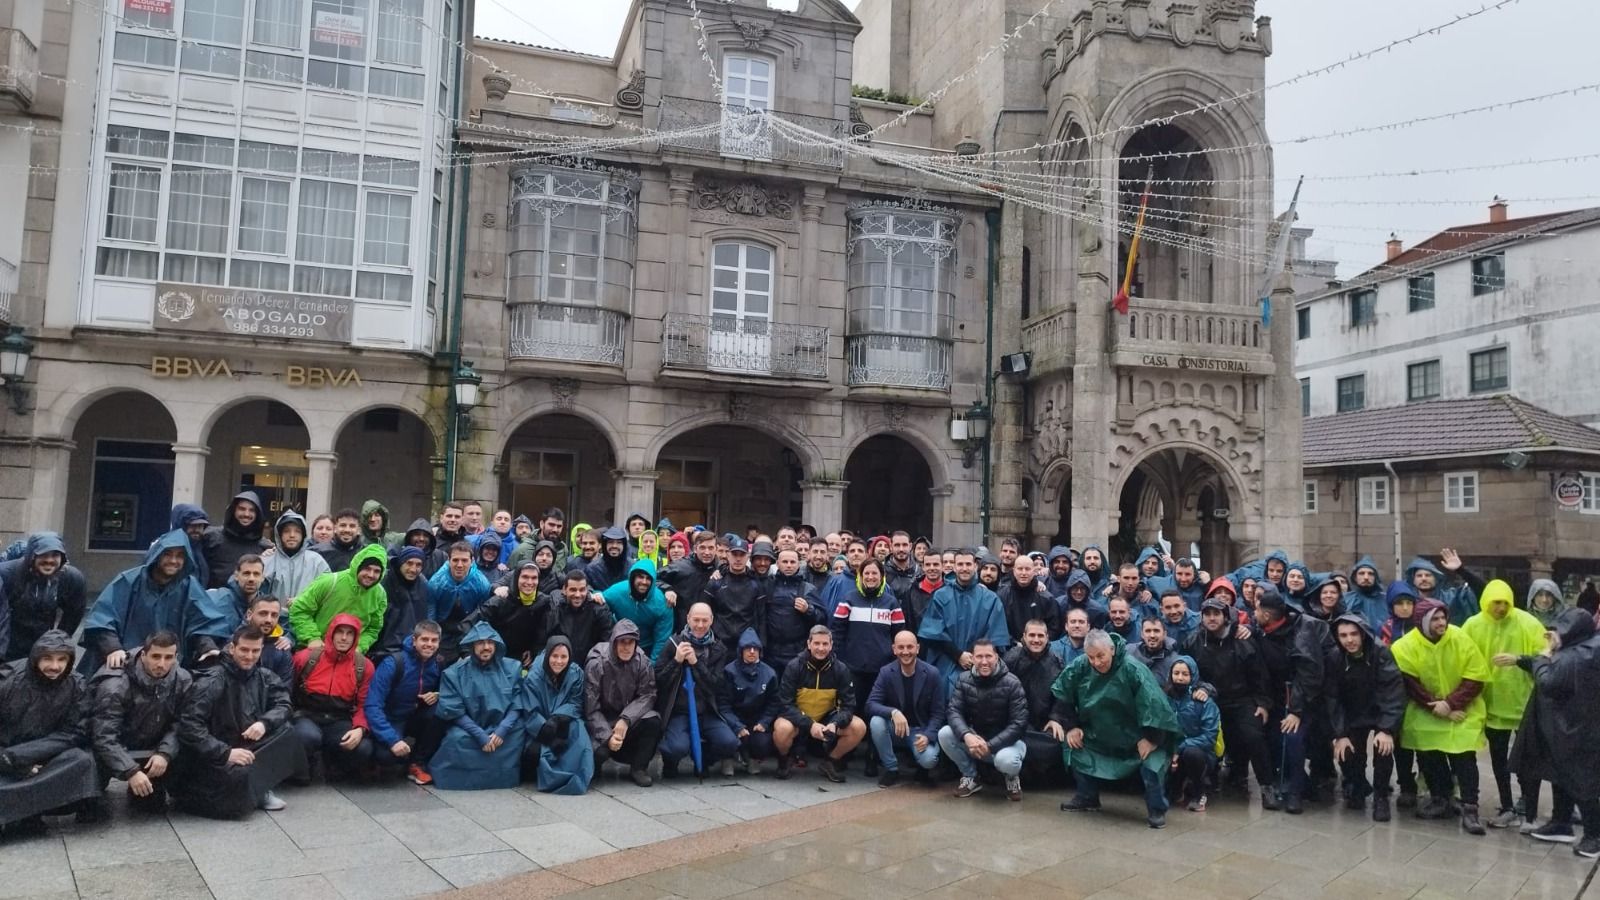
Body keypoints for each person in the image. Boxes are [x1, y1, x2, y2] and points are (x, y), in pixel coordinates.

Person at [1052, 630, 1184, 828]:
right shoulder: (1080, 666)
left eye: (1101, 656)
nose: (1096, 662)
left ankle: (1157, 809)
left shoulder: (1133, 669)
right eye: (1091, 657)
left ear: (1111, 650)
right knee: (1073, 746)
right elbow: (1063, 695)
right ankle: (1087, 796)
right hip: (1097, 733)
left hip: (1137, 735)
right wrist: (1072, 727)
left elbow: (1156, 706)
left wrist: (1151, 737)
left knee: (1152, 764)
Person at [174, 625, 304, 816]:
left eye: (255, 651)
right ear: (232, 648)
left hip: (247, 744)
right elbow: (189, 726)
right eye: (244, 650)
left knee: (289, 733)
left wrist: (264, 723)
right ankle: (251, 790)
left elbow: (284, 704)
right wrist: (225, 753)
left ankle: (256, 788)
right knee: (239, 794)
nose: (249, 656)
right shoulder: (213, 680)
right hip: (215, 752)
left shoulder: (264, 676)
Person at [1390, 598, 1490, 834]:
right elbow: (1409, 683)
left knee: (1464, 756)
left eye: (1443, 617)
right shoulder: (1404, 646)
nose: (1441, 622)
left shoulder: (1460, 637)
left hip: (1462, 708)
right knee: (1428, 753)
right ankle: (1440, 798)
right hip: (1426, 709)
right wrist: (1436, 707)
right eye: (1434, 619)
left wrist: (1451, 703)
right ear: (1422, 622)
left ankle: (1470, 807)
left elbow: (1476, 677)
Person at [80, 529, 229, 673]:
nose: (173, 561)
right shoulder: (129, 581)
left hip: (170, 667)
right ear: (157, 555)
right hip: (126, 663)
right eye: (167, 554)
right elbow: (103, 617)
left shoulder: (189, 586)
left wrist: (207, 647)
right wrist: (113, 648)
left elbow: (202, 622)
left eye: (179, 556)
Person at [1514, 608, 1600, 856]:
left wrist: (1541, 658)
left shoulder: (1579, 654)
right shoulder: (1586, 647)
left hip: (1577, 728)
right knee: (1562, 773)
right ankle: (1561, 822)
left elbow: (1549, 681)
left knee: (1581, 781)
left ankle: (1594, 835)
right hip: (1571, 724)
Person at [0, 630, 99, 834]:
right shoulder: (8, 680)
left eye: (62, 659)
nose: (55, 666)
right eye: (47, 658)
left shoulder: (76, 685)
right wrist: (9, 759)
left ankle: (18, 810)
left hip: (44, 757)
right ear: (36, 657)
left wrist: (24, 755)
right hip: (5, 756)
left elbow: (74, 732)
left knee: (82, 760)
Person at [1466, 579, 1547, 829]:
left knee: (1528, 760)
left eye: (1504, 603)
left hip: (1524, 704)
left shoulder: (1528, 623)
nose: (1500, 608)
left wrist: (1519, 659)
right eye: (1495, 603)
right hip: (1492, 705)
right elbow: (1464, 656)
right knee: (1499, 759)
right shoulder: (1473, 625)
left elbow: (1545, 657)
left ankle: (1528, 808)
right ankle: (1507, 806)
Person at [87, 630, 190, 814]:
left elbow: (182, 722)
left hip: (153, 746)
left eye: (168, 658)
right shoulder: (115, 685)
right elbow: (104, 736)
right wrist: (130, 771)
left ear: (176, 657)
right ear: (143, 655)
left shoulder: (182, 679)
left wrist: (165, 753)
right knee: (89, 805)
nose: (161, 664)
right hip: (112, 747)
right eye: (156, 656)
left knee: (151, 803)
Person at [1182, 593, 1273, 802]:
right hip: (1210, 699)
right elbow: (1189, 673)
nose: (1212, 618)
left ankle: (1267, 785)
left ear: (1225, 617)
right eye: (1207, 614)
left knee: (1253, 736)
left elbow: (1259, 674)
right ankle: (1207, 778)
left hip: (1242, 699)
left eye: (1216, 614)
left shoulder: (1243, 640)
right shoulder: (1193, 641)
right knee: (1207, 735)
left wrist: (1263, 703)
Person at [1251, 585, 1329, 815]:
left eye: (1256, 610)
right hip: (1275, 700)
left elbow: (1309, 675)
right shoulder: (1263, 630)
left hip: (1301, 702)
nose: (1253, 614)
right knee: (1272, 738)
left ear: (1267, 614)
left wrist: (1296, 711)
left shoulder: (1301, 632)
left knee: (1293, 740)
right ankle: (1292, 782)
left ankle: (1295, 792)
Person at [1324, 613, 1403, 822]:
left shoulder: (1380, 652)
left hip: (1379, 710)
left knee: (1383, 750)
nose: (1349, 640)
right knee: (1347, 750)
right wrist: (1340, 734)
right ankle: (1356, 785)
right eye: (1343, 635)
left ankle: (1381, 797)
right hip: (1352, 711)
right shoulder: (1334, 657)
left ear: (1363, 633)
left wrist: (1386, 729)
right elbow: (1332, 697)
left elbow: (1392, 691)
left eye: (1354, 634)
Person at [431, 621, 526, 790]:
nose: (486, 647)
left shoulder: (512, 668)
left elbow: (518, 702)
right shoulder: (455, 673)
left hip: (502, 729)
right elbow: (453, 710)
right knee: (456, 739)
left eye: (490, 643)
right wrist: (479, 735)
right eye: (481, 643)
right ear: (472, 645)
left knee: (519, 732)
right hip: (470, 728)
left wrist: (502, 729)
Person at [772, 625, 867, 783]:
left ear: (831, 645)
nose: (821, 648)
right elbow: (785, 704)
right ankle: (784, 759)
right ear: (808, 644)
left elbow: (848, 706)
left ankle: (831, 761)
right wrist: (809, 724)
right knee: (782, 728)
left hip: (826, 719)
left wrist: (835, 724)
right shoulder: (794, 666)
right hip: (798, 718)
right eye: (816, 643)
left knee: (859, 727)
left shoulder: (841, 669)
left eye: (825, 644)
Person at [939, 637, 1028, 801]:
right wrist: (967, 735)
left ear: (997, 657)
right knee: (945, 734)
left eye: (988, 656)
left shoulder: (1012, 682)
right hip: (976, 739)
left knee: (1006, 761)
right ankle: (971, 776)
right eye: (979, 657)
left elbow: (1019, 724)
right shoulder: (964, 679)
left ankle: (1011, 778)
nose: (984, 661)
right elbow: (953, 711)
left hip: (1008, 743)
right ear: (972, 658)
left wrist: (990, 746)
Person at [655, 603, 738, 778]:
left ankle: (705, 759)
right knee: (676, 747)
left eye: (705, 620)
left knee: (729, 742)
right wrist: (676, 661)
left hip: (707, 710)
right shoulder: (673, 643)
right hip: (679, 711)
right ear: (688, 619)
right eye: (696, 620)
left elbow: (716, 684)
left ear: (712, 621)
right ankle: (670, 761)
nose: (700, 625)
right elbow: (659, 680)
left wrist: (695, 663)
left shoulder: (718, 648)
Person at [289, 614, 374, 780]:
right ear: (331, 633)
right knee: (307, 737)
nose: (344, 637)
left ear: (356, 637)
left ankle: (335, 765)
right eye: (340, 632)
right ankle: (304, 765)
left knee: (364, 748)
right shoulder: (306, 657)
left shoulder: (364, 666)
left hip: (340, 719)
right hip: (307, 715)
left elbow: (365, 703)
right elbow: (287, 690)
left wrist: (360, 728)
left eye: (350, 633)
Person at [918, 549, 1011, 693]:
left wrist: (977, 658)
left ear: (975, 566)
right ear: (954, 567)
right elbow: (932, 633)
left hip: (980, 666)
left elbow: (995, 637)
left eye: (968, 564)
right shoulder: (941, 596)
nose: (964, 568)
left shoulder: (990, 599)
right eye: (960, 564)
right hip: (946, 665)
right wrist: (958, 655)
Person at [365, 620, 444, 785]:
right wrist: (392, 740)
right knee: (386, 756)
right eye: (424, 640)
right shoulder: (393, 663)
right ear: (414, 640)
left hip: (416, 716)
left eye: (434, 640)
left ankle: (417, 763)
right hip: (391, 718)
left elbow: (450, 691)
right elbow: (372, 705)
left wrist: (438, 694)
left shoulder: (438, 663)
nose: (429, 644)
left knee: (440, 712)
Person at [584, 620, 661, 787]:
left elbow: (648, 694)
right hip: (601, 720)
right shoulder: (597, 663)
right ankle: (593, 766)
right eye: (622, 642)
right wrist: (607, 736)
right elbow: (591, 708)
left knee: (653, 720)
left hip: (627, 720)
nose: (626, 647)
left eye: (631, 642)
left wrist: (626, 719)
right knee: (599, 753)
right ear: (614, 642)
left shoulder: (642, 661)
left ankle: (639, 768)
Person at [865, 629, 944, 787]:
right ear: (894, 649)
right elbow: (870, 704)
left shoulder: (932, 674)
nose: (905, 651)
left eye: (910, 647)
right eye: (901, 647)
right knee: (876, 722)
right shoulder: (886, 672)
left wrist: (928, 735)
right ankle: (891, 769)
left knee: (929, 760)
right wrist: (893, 712)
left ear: (918, 648)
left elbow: (939, 713)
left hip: (920, 730)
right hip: (895, 729)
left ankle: (922, 769)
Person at [518, 636, 592, 794]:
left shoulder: (576, 673)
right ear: (547, 656)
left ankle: (578, 774)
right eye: (555, 656)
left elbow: (576, 702)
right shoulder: (533, 677)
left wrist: (558, 717)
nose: (559, 661)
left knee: (579, 732)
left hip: (564, 720)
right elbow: (530, 711)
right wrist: (547, 731)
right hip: (540, 727)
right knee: (538, 752)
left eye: (564, 657)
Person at [0, 532, 88, 664]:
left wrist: (56, 645)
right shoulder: (7, 574)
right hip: (9, 640)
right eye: (43, 555)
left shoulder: (71, 578)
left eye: (55, 555)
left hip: (41, 641)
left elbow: (73, 615)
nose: (49, 560)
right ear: (31, 556)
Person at [288, 544, 388, 655]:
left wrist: (359, 647)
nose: (371, 575)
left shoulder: (380, 595)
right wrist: (312, 638)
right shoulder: (330, 581)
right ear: (358, 566)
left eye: (377, 571)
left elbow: (373, 628)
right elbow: (299, 609)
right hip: (315, 652)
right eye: (367, 569)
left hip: (348, 658)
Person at [1004, 619, 1067, 786]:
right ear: (1023, 637)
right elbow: (1001, 693)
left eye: (1040, 635)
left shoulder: (1057, 661)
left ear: (1047, 637)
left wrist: (1055, 718)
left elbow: (1063, 694)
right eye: (1032, 635)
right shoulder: (1011, 659)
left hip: (1044, 723)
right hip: (1016, 721)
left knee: (1058, 742)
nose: (1036, 640)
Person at [718, 627, 781, 776]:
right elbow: (723, 704)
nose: (752, 651)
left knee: (763, 744)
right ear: (741, 650)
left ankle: (752, 758)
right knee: (726, 739)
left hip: (756, 720)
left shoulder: (770, 673)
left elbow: (774, 702)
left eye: (755, 648)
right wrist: (737, 726)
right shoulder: (729, 671)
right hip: (733, 719)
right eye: (747, 648)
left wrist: (764, 722)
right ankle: (728, 758)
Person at [465, 562, 550, 667]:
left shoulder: (543, 602)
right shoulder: (500, 601)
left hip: (522, 658)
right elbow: (469, 623)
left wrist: (533, 651)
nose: (529, 582)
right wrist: (467, 653)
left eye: (534, 578)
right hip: (494, 655)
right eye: (525, 577)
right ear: (516, 579)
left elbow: (542, 632)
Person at [1164, 654, 1220, 813]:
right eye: (1176, 673)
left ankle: (1199, 793)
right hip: (1171, 749)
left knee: (1192, 754)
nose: (1180, 678)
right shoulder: (1165, 697)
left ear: (1193, 675)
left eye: (1185, 674)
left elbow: (1209, 737)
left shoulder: (1203, 701)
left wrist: (1179, 748)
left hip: (1198, 752)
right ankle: (1175, 788)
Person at [705, 538, 767, 655]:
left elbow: (762, 618)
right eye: (734, 554)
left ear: (748, 556)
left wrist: (762, 646)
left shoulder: (756, 584)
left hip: (747, 645)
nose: (738, 559)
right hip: (719, 644)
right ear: (728, 555)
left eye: (742, 555)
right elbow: (706, 612)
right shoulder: (716, 582)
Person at [201, 492, 271, 589]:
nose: (246, 514)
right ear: (233, 510)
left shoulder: (264, 546)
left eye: (252, 510)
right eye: (242, 509)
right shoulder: (211, 537)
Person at [429, 542, 492, 648]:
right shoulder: (436, 582)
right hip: (443, 625)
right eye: (455, 560)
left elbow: (483, 614)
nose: (459, 565)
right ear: (448, 560)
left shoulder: (482, 583)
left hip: (469, 625)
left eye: (464, 560)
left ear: (472, 561)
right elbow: (430, 612)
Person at [373, 545, 431, 660]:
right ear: (400, 563)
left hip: (412, 649)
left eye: (418, 565)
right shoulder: (384, 582)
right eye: (409, 563)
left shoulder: (422, 584)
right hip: (381, 650)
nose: (413, 569)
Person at [544, 570, 613, 664]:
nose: (577, 595)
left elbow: (607, 641)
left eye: (582, 590)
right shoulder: (556, 607)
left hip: (590, 662)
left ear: (587, 590)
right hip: (560, 662)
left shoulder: (599, 609)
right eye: (573, 590)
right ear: (564, 590)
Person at [264, 511, 331, 604]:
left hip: (306, 616)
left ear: (303, 535)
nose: (292, 535)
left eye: (297, 531)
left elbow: (327, 592)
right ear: (279, 535)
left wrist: (304, 601)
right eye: (287, 531)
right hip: (272, 617)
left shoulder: (317, 562)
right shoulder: (267, 561)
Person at [1406, 551, 1484, 626]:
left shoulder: (1453, 598)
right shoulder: (1407, 602)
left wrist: (1460, 570)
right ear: (1413, 580)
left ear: (1436, 579)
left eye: (1428, 575)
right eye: (1419, 576)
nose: (1424, 578)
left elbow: (1484, 592)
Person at [997, 555, 1060, 642]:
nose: (1023, 573)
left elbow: (1054, 628)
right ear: (1014, 571)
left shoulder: (1046, 598)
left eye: (1027, 569)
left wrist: (1039, 643)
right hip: (1009, 649)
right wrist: (1013, 644)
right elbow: (998, 626)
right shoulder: (1002, 596)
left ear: (1034, 571)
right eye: (1020, 569)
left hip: (1038, 648)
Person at [1343, 557, 1388, 634]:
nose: (1366, 577)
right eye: (1361, 573)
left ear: (1375, 578)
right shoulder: (1345, 599)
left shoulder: (1386, 600)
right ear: (1355, 577)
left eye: (1370, 574)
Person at [584, 526, 632, 593]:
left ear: (624, 545)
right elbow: (586, 588)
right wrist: (595, 593)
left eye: (619, 542)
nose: (614, 546)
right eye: (610, 542)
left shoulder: (633, 567)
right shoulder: (592, 569)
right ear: (604, 545)